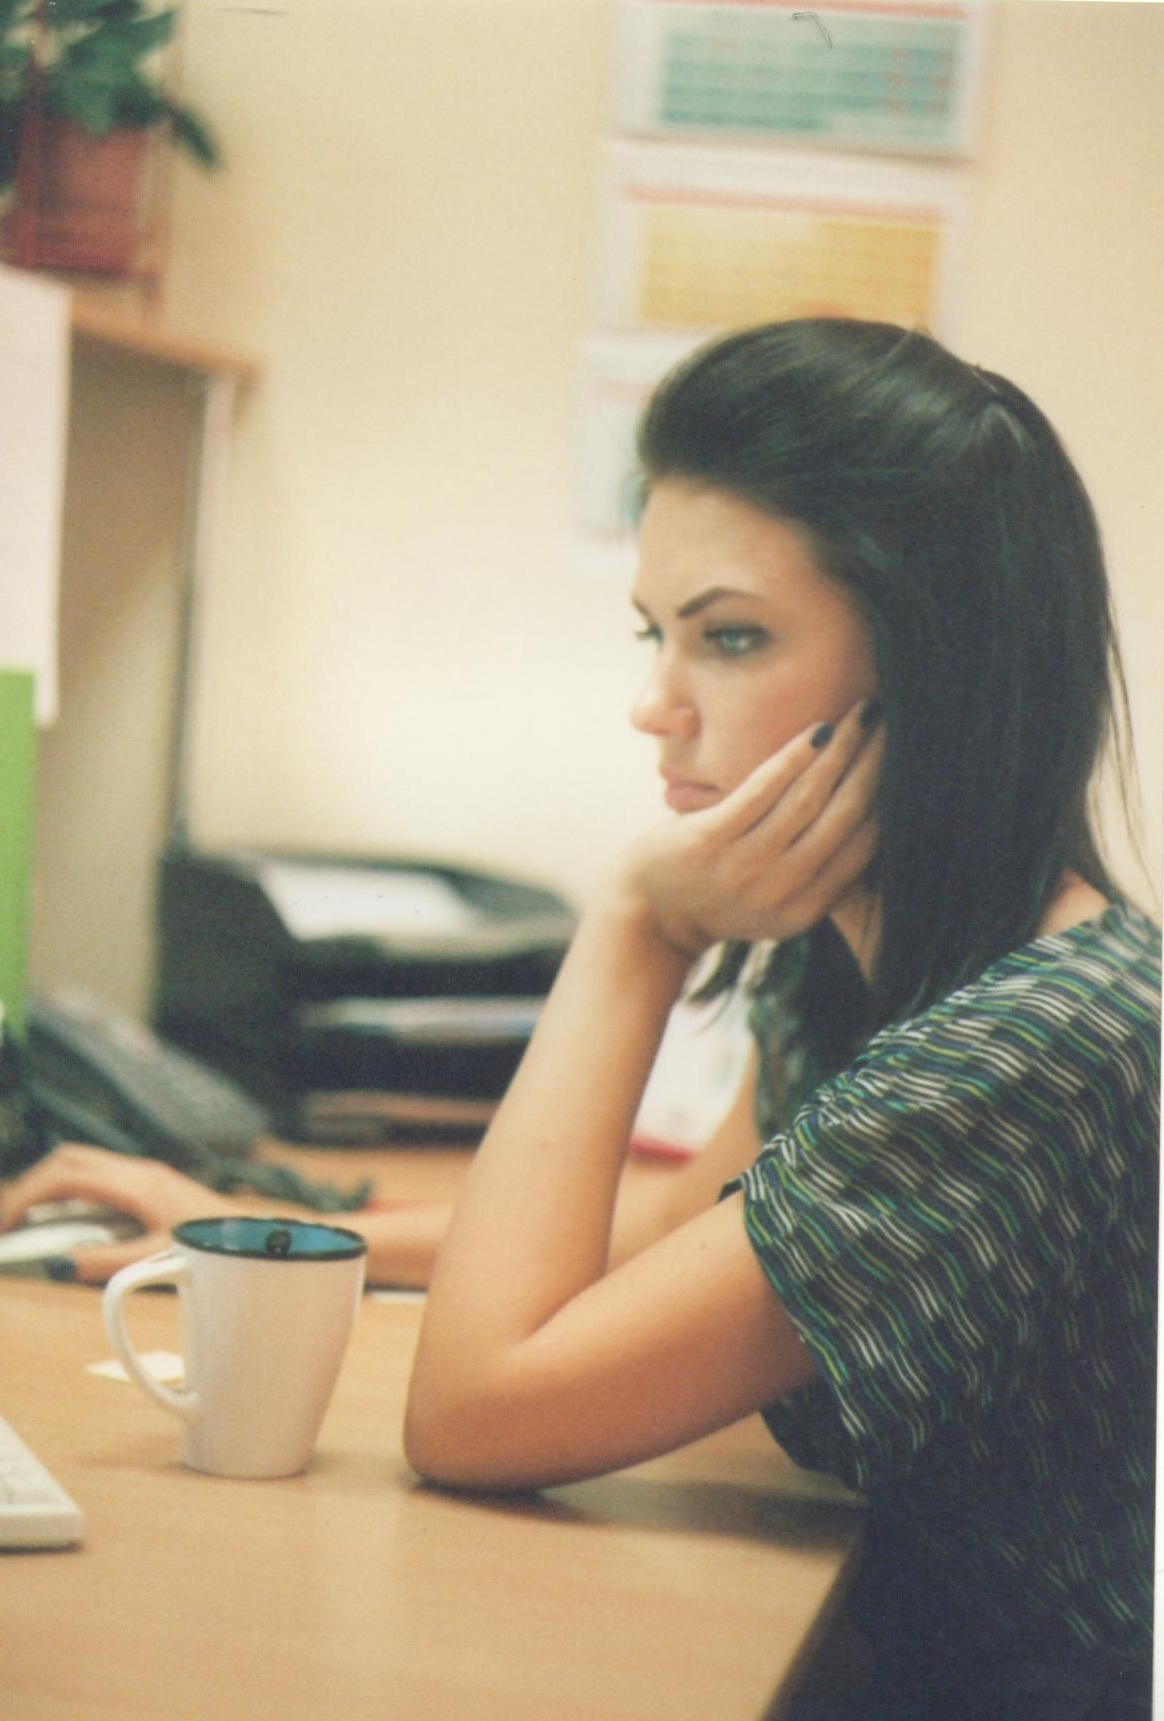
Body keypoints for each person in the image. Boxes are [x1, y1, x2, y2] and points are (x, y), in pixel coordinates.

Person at [1, 317, 1157, 1720]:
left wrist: (638, 928)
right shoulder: (880, 958)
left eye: (730, 637)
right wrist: (261, 1230)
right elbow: (675, 1229)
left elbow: (475, 1415)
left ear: (938, 672)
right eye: (657, 634)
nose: (654, 706)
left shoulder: (1039, 1043)